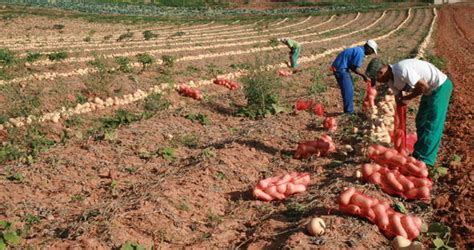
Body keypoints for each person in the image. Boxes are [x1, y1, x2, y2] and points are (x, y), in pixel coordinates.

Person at [366, 58, 453, 167]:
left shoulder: (402, 70)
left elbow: (423, 86)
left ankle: (426, 160)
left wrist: (409, 97)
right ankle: (419, 153)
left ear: (381, 72)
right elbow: (398, 98)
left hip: (440, 87)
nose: (378, 82)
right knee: (420, 120)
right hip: (428, 91)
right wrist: (398, 125)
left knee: (432, 124)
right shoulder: (390, 80)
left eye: (377, 78)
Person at [331, 40, 378, 113]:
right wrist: (364, 76)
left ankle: (349, 109)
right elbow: (354, 68)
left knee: (349, 87)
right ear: (368, 48)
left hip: (340, 67)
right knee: (348, 89)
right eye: (372, 51)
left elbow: (351, 66)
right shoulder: (360, 52)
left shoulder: (358, 50)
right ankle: (349, 111)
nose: (371, 53)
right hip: (340, 69)